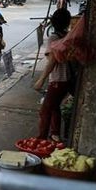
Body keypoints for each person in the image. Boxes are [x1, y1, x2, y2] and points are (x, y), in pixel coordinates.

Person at [34, 8, 73, 142]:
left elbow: (52, 61)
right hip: (67, 78)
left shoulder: (54, 37)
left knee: (45, 110)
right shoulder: (67, 36)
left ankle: (41, 140)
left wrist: (41, 79)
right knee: (55, 106)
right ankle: (55, 134)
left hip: (58, 79)